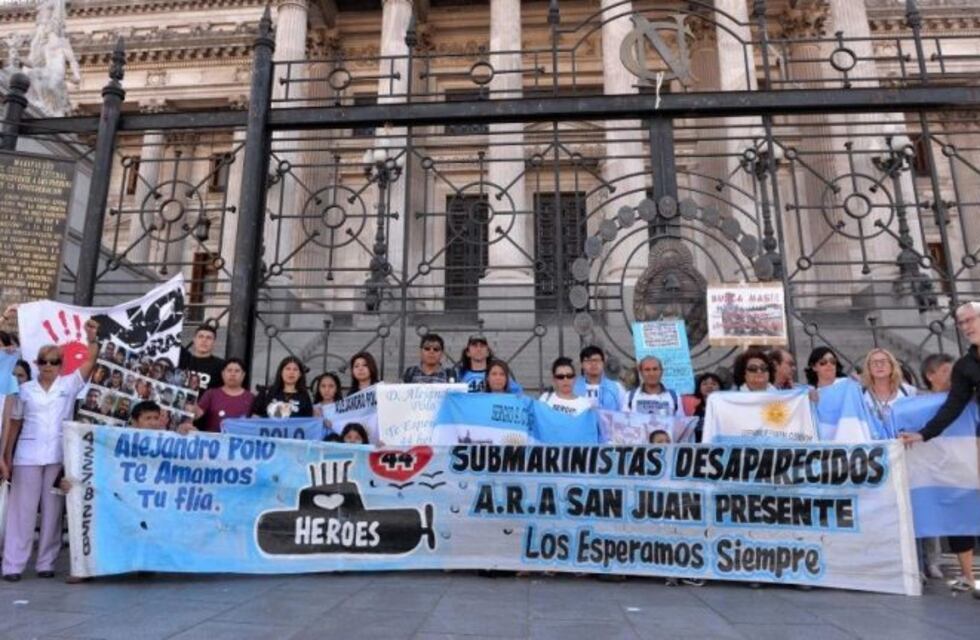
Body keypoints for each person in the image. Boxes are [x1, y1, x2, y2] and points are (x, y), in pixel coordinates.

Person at [1, 315, 100, 582]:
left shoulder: (69, 384)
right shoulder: (25, 389)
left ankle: (46, 562)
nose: (48, 366)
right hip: (27, 456)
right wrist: (5, 457)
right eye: (43, 361)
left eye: (54, 361)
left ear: (61, 365)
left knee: (53, 511)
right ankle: (13, 565)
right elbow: (15, 424)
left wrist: (92, 340)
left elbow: (90, 362)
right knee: (22, 511)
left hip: (57, 455)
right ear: (36, 363)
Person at [900, 303, 980, 598]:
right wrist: (923, 434)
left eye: (971, 319)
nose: (966, 326)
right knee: (965, 499)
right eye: (961, 323)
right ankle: (970, 578)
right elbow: (953, 405)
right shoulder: (965, 367)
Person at [193, 358, 255, 432]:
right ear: (223, 374)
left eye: (237, 371)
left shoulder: (251, 398)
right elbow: (195, 415)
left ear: (243, 375)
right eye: (229, 370)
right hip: (213, 441)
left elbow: (256, 424)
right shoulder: (211, 394)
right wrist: (192, 393)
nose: (233, 374)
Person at [860, 348, 916, 424]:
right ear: (868, 368)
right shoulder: (861, 394)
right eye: (874, 362)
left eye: (883, 362)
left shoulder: (908, 391)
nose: (879, 365)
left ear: (892, 366)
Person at [456, 335, 522, 393]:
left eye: (482, 346)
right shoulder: (460, 375)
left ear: (488, 352)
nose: (479, 349)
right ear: (468, 353)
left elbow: (518, 394)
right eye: (475, 346)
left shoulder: (496, 373)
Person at [573, 345, 626, 411]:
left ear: (603, 363)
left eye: (597, 360)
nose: (593, 364)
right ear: (581, 364)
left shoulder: (616, 387)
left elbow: (624, 412)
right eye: (588, 361)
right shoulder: (572, 387)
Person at [178, 325, 225, 391]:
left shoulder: (221, 366)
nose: (204, 340)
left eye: (209, 338)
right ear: (194, 340)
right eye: (200, 336)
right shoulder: (182, 359)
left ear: (214, 342)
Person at [689, 372, 724, 442]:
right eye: (705, 384)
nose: (709, 386)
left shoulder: (725, 409)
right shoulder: (693, 410)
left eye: (713, 384)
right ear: (699, 388)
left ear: (720, 388)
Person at [312, 372, 344, 436]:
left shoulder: (344, 407)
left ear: (336, 389)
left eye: (331, 386)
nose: (327, 390)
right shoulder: (313, 409)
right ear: (319, 389)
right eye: (323, 386)